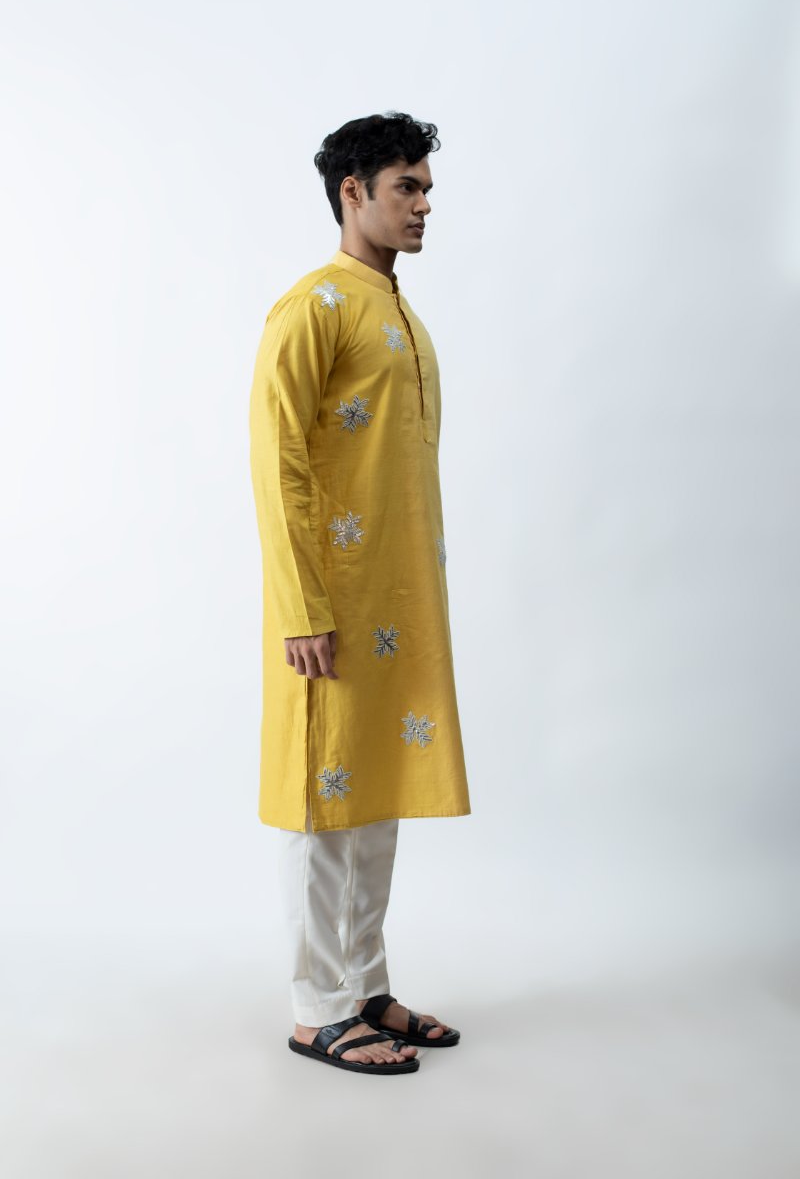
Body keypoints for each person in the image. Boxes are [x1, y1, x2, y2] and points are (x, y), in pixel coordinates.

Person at [248, 111, 471, 1074]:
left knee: (374, 791)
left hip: (397, 599)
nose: (424, 205)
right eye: (406, 187)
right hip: (330, 604)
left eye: (426, 188)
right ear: (354, 192)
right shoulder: (313, 307)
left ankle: (365, 987)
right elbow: (278, 465)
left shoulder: (398, 312)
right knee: (323, 796)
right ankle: (317, 1009)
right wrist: (302, 609)